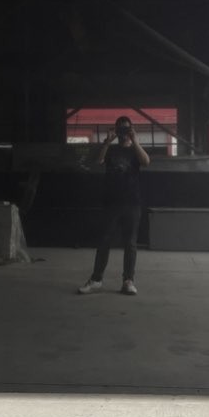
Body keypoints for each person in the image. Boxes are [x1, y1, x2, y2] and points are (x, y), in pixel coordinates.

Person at [78, 116, 150, 296]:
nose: (123, 132)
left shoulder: (135, 149)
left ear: (131, 129)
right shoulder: (110, 149)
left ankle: (128, 281)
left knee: (130, 243)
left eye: (126, 129)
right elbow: (98, 161)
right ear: (116, 130)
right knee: (104, 241)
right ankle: (96, 280)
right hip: (111, 202)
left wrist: (135, 141)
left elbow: (146, 161)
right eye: (120, 129)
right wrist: (107, 142)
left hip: (132, 202)